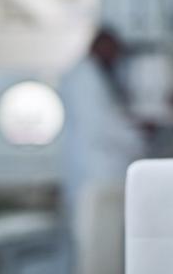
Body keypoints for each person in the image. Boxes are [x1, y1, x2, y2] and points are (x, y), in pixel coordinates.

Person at [58, 28, 147, 274]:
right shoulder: (85, 78)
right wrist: (139, 136)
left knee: (103, 246)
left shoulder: (96, 76)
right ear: (99, 46)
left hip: (102, 175)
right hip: (98, 175)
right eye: (113, 50)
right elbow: (102, 126)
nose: (116, 57)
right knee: (97, 249)